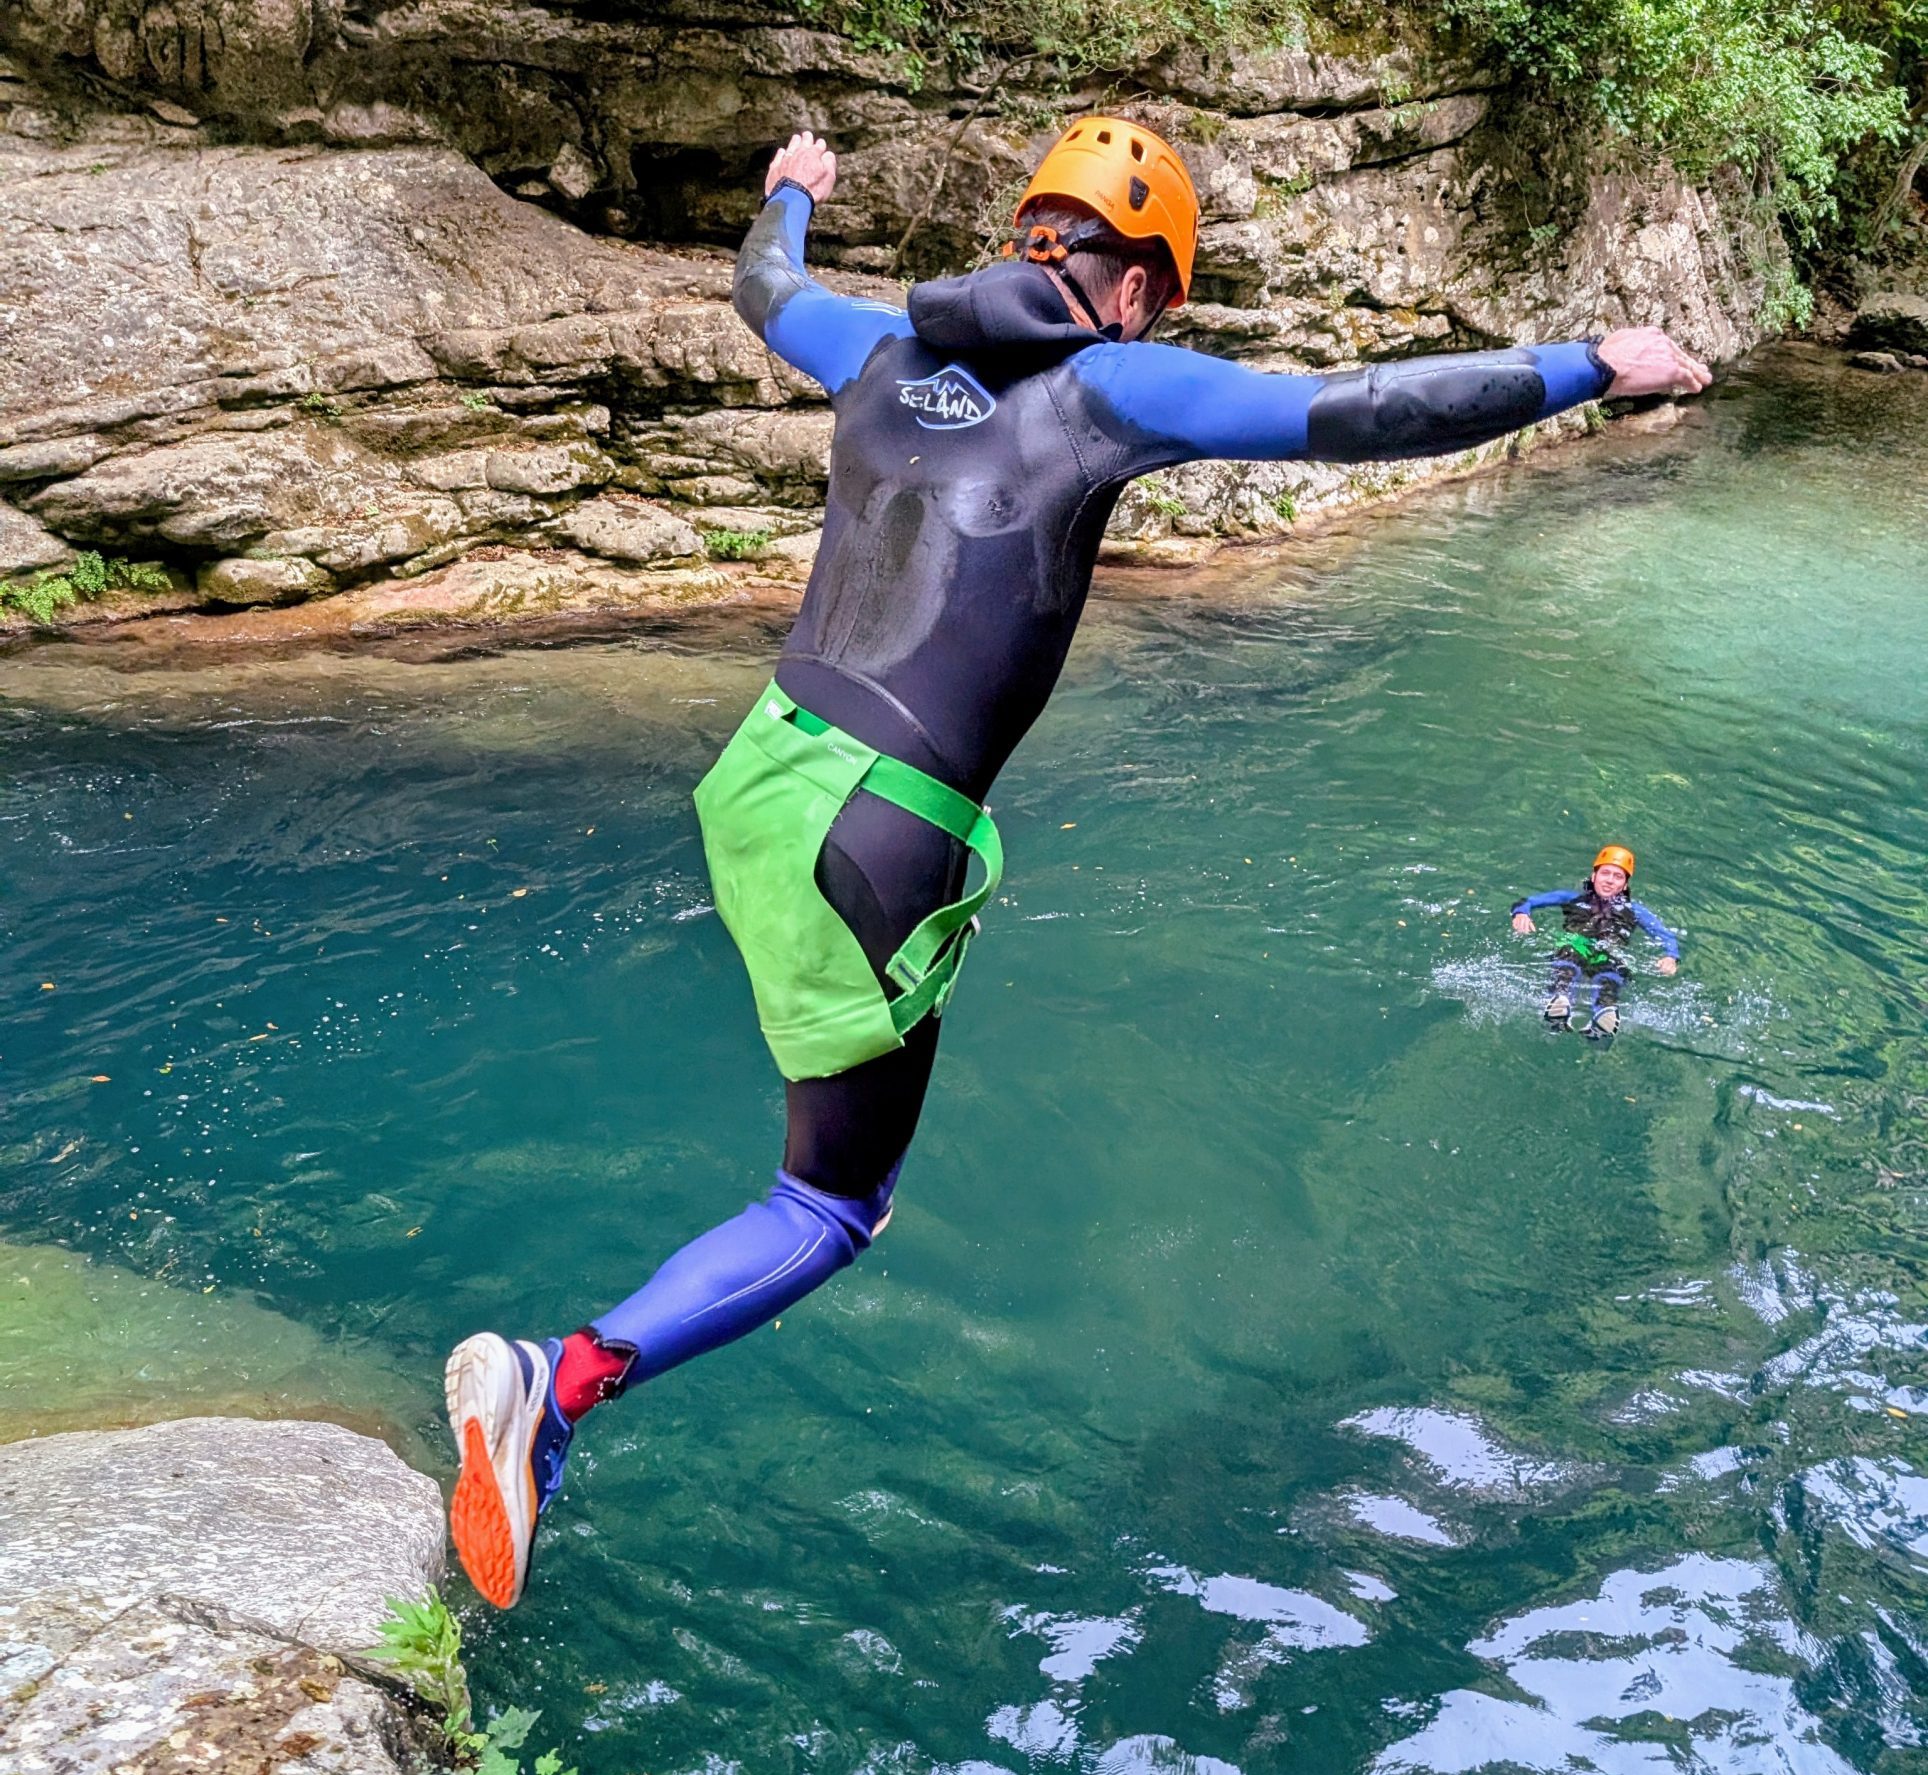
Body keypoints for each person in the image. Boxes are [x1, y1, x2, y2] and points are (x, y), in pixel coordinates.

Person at [444, 120, 1715, 1608]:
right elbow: (1354, 409)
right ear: (1144, 288)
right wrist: (1593, 362)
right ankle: (560, 1383)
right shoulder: (1107, 385)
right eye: (1162, 300)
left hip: (760, 779)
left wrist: (795, 186)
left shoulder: (873, 344)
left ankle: (562, 1388)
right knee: (833, 1206)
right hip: (880, 828)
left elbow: (760, 284)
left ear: (1030, 231)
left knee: (835, 1157)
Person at [1511, 844, 1681, 1038]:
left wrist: (1671, 957)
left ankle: (1605, 1015)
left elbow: (1665, 935)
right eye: (1605, 873)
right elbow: (1528, 901)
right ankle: (1559, 1000)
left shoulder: (1635, 911)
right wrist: (1521, 914)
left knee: (1612, 971)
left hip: (1607, 954)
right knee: (1569, 955)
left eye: (1618, 877)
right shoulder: (1571, 898)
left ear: (1625, 885)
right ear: (1594, 877)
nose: (1609, 880)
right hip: (1575, 947)